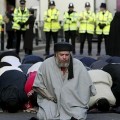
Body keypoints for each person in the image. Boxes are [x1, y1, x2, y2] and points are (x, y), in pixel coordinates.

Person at [33, 42, 96, 120]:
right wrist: (50, 97)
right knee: (46, 116)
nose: (64, 57)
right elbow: (38, 85)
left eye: (67, 55)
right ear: (56, 54)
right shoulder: (46, 64)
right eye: (61, 55)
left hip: (73, 102)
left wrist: (78, 99)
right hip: (52, 100)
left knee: (78, 115)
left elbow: (87, 86)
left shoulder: (78, 65)